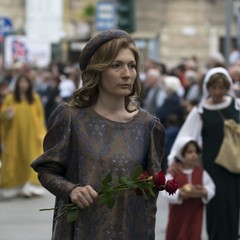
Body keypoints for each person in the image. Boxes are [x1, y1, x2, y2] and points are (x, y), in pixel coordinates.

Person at [31, 29, 165, 240]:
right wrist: (71, 190)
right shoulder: (71, 118)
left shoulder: (148, 125)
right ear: (97, 70)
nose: (127, 74)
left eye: (131, 66)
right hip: (81, 231)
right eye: (116, 65)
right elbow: (47, 170)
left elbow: (150, 194)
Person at [167, 67, 240, 240]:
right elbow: (186, 136)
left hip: (236, 164)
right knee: (218, 210)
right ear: (208, 88)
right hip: (214, 166)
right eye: (214, 87)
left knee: (233, 207)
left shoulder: (236, 105)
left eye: (221, 87)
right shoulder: (200, 112)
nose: (218, 92)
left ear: (227, 86)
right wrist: (175, 159)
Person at [0, 73, 46, 199]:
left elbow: (40, 117)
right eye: (21, 82)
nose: (23, 85)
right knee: (14, 158)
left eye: (25, 82)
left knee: (30, 158)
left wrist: (41, 133)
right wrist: (7, 113)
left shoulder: (35, 98)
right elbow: (3, 115)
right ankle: (14, 187)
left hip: (31, 135)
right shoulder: (11, 98)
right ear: (17, 84)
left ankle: (30, 187)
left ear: (29, 84)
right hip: (15, 136)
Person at [162, 136, 215, 240]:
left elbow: (211, 187)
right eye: (189, 152)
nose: (194, 155)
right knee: (176, 234)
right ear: (181, 154)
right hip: (178, 216)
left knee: (194, 234)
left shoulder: (201, 173)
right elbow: (165, 190)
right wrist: (179, 193)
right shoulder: (174, 174)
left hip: (195, 215)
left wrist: (205, 191)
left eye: (196, 152)